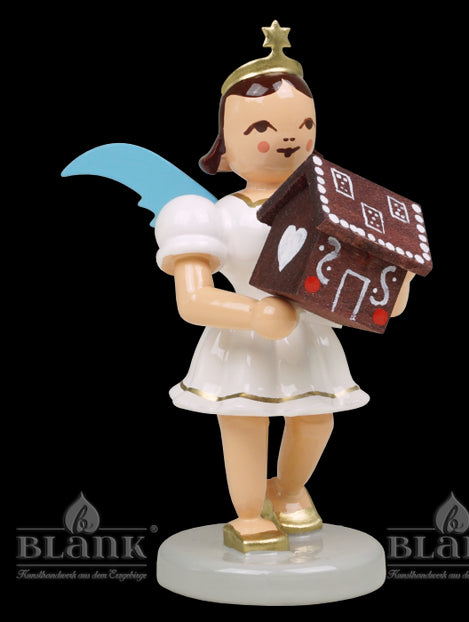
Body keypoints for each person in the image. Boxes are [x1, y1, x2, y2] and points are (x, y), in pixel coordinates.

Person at [154, 22, 375, 553]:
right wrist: (253, 315)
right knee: (246, 423)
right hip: (244, 339)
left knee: (316, 418)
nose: (290, 138)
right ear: (226, 149)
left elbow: (353, 287)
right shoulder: (211, 214)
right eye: (261, 127)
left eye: (305, 124)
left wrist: (395, 281)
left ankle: (290, 488)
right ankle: (249, 515)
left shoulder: (330, 211)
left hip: (308, 335)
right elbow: (192, 299)